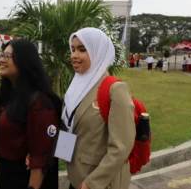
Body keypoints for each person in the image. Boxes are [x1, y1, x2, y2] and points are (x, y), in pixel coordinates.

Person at [25, 28, 136, 189]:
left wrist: (92, 183)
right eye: (73, 49)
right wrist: (40, 155)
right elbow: (69, 127)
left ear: (97, 52)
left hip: (101, 183)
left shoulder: (115, 89)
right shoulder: (77, 87)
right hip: (76, 177)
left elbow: (121, 147)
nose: (74, 55)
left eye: (82, 49)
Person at [0, 39, 62, 189]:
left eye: (7, 56)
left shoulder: (39, 102)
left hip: (25, 180)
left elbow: (40, 158)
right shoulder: (8, 95)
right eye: (2, 54)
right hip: (6, 174)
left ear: (24, 61)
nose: (1, 60)